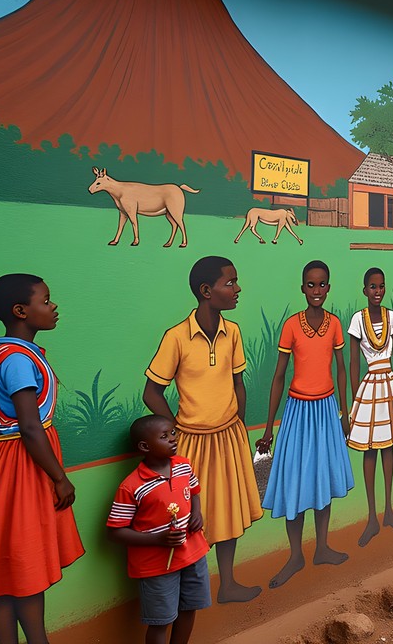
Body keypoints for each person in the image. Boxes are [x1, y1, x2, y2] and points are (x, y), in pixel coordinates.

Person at [0, 274, 84, 644]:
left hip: (11, 462)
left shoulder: (8, 354)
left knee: (10, 565)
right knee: (25, 563)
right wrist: (59, 477)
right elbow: (32, 428)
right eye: (46, 300)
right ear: (21, 311)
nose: (53, 307)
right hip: (24, 464)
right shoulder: (18, 361)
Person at [144, 256, 262, 603]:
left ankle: (226, 584)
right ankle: (190, 589)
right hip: (191, 443)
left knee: (228, 511)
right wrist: (174, 432)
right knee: (193, 516)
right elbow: (151, 391)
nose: (237, 289)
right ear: (206, 291)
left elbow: (238, 382)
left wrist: (238, 422)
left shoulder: (233, 332)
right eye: (231, 283)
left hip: (228, 435)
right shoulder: (176, 338)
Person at [257, 260, 353, 587]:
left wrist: (345, 412)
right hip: (298, 410)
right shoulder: (291, 326)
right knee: (296, 482)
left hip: (326, 409)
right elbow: (279, 376)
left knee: (322, 478)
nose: (316, 290)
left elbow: (341, 369)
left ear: (329, 287)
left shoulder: (335, 324)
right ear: (302, 288)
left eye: (322, 284)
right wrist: (269, 428)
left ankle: (322, 546)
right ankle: (296, 555)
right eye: (310, 285)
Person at [107, 415, 210, 644]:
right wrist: (158, 539)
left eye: (173, 433)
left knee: (189, 607)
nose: (173, 439)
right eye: (164, 437)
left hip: (192, 554)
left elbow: (194, 491)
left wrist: (197, 513)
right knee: (161, 621)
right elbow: (115, 531)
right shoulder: (132, 486)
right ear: (145, 446)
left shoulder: (183, 465)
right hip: (157, 566)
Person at [346, 267, 393, 546]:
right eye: (373, 287)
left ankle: (388, 511)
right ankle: (372, 517)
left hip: (389, 385)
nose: (378, 291)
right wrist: (352, 399)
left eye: (381, 286)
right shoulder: (357, 320)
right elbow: (352, 362)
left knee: (388, 447)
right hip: (370, 383)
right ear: (364, 290)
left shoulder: (391, 316)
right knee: (370, 449)